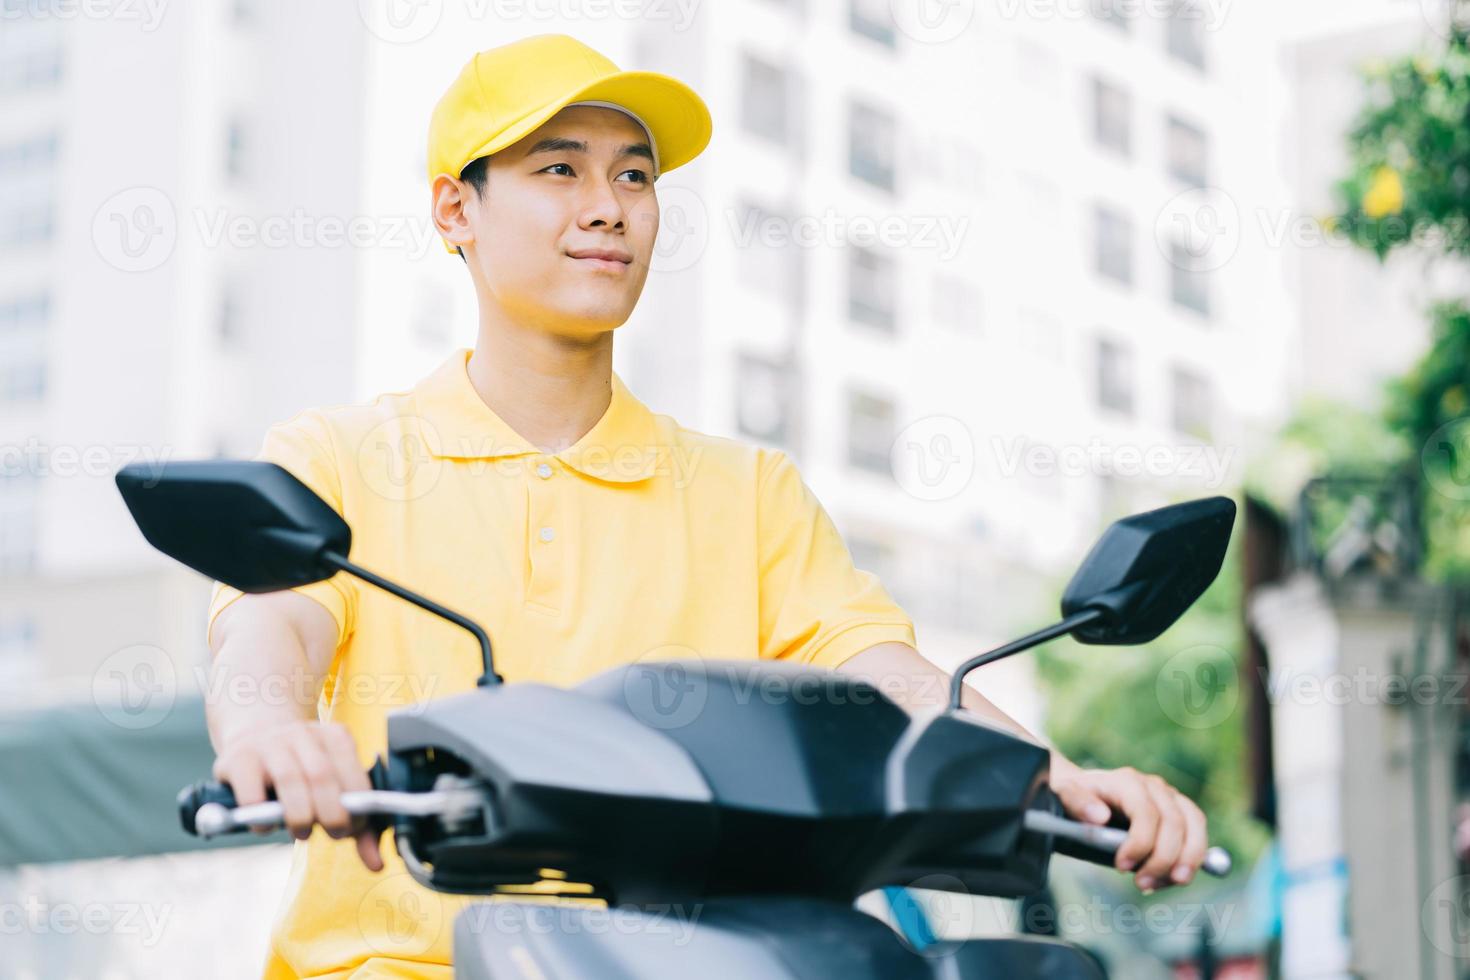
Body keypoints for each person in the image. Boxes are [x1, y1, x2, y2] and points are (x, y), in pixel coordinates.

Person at [204, 33, 1211, 979]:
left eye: (634, 176)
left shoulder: (749, 493)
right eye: (559, 169)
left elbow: (880, 671)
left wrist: (1058, 775)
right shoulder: (336, 457)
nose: (608, 207)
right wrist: (269, 739)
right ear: (454, 210)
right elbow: (269, 634)